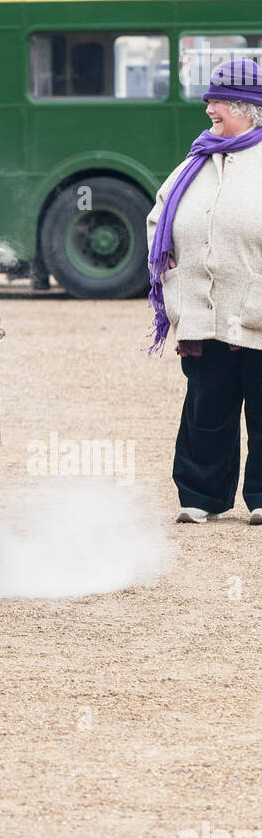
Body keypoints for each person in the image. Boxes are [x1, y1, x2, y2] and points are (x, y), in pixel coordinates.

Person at [147, 57, 262, 525]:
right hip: (203, 312)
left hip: (256, 311)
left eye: (217, 102)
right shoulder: (195, 161)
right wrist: (171, 273)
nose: (209, 110)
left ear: (248, 108)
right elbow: (159, 219)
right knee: (205, 408)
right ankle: (201, 495)